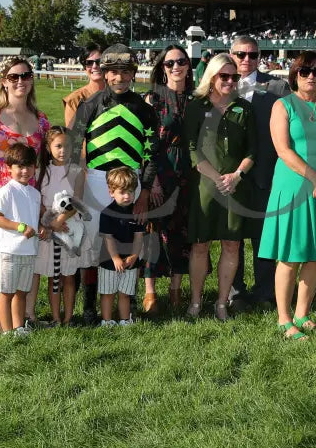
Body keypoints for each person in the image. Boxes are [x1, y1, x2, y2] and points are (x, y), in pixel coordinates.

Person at [259, 51, 316, 340]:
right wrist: (315, 178)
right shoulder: (282, 106)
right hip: (294, 187)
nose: (312, 76)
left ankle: (302, 313)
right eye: (305, 71)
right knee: (290, 255)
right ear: (295, 75)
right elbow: (283, 150)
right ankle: (284, 319)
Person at [70, 44, 160, 285]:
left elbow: (152, 156)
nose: (119, 77)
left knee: (128, 239)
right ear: (105, 73)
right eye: (113, 71)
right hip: (96, 181)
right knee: (91, 241)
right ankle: (91, 306)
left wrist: (145, 193)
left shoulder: (145, 111)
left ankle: (125, 305)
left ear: (133, 73)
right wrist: (77, 188)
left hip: (132, 182)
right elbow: (72, 149)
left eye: (125, 71)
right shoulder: (89, 106)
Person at [0, 58, 50, 330]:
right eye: (14, 76)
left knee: (26, 255)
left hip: (26, 196)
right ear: (4, 80)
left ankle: (26, 316)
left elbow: (47, 161)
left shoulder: (41, 120)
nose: (21, 81)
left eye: (26, 76)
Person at [183, 54, 256, 321]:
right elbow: (191, 148)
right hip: (205, 186)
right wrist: (217, 178)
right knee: (200, 245)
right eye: (223, 76)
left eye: (234, 77)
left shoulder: (244, 108)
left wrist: (236, 176)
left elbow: (252, 150)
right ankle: (195, 301)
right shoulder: (196, 106)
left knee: (232, 245)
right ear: (211, 77)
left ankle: (222, 302)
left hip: (235, 188)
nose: (229, 81)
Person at [230, 34, 290, 307]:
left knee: (263, 236)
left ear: (259, 57)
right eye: (240, 55)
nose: (246, 60)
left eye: (252, 55)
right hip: (229, 174)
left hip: (266, 171)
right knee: (233, 236)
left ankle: (265, 292)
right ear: (231, 55)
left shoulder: (277, 87)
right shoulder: (219, 85)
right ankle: (235, 290)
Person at [141, 44, 195, 314]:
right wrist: (152, 182)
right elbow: (147, 144)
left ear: (188, 65)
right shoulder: (152, 100)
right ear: (162, 67)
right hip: (159, 168)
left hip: (188, 171)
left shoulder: (197, 99)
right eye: (169, 62)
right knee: (153, 232)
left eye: (181, 61)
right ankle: (150, 294)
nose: (176, 67)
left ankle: (176, 290)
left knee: (181, 231)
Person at [62, 41, 106, 321]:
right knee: (85, 240)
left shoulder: (119, 95)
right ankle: (83, 304)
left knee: (106, 241)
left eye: (99, 62)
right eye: (89, 63)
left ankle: (104, 298)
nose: (94, 67)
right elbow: (73, 141)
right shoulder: (76, 99)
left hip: (113, 178)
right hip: (86, 176)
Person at [0, 142, 42, 335]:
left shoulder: (35, 194)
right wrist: (20, 227)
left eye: (29, 166)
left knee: (21, 292)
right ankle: (6, 331)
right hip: (9, 251)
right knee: (7, 292)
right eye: (20, 166)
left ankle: (18, 327)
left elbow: (34, 219)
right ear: (9, 168)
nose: (25, 171)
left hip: (29, 251)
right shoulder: (6, 191)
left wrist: (41, 228)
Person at [34, 126, 81, 326]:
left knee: (68, 276)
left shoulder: (77, 171)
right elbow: (38, 203)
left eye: (67, 146)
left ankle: (69, 317)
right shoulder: (41, 172)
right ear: (48, 147)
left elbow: (77, 202)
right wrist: (51, 223)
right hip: (49, 230)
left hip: (70, 229)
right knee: (53, 276)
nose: (63, 150)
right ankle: (55, 317)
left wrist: (60, 221)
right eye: (58, 146)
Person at [98, 167, 145, 327]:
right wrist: (115, 258)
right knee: (108, 293)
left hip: (130, 262)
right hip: (109, 261)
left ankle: (125, 320)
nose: (127, 196)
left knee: (125, 294)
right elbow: (108, 238)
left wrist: (134, 255)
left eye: (131, 192)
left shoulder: (137, 213)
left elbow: (139, 237)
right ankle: (107, 320)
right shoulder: (107, 213)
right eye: (122, 192)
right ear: (111, 192)